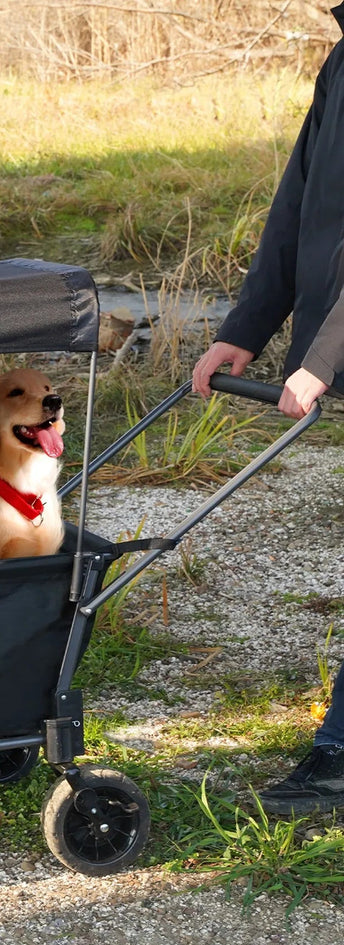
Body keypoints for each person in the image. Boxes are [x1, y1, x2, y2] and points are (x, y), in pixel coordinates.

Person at [192, 3, 344, 814]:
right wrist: (245, 330)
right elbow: (299, 203)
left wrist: (319, 358)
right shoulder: (343, 58)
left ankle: (338, 759)